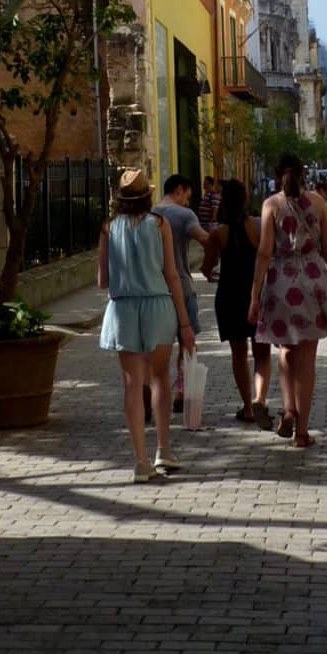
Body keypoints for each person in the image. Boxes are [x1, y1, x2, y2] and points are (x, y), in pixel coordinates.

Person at [98, 166, 196, 482]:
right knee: (160, 379)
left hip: (123, 309)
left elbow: (102, 281)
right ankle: (163, 449)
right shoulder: (160, 224)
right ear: (147, 196)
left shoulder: (108, 228)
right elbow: (171, 274)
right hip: (158, 306)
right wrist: (185, 324)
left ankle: (140, 461)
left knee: (131, 385)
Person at [249, 152, 327, 448]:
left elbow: (264, 252)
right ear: (303, 174)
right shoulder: (317, 202)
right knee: (308, 359)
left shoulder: (270, 205)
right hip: (314, 283)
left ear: (277, 176)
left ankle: (288, 409)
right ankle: (302, 432)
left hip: (280, 283)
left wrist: (254, 295)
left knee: (286, 350)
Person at [203, 177, 271, 424]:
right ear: (245, 200)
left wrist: (212, 272)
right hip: (257, 294)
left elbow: (206, 267)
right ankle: (260, 398)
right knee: (262, 352)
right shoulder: (258, 226)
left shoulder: (217, 233)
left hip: (229, 296)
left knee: (238, 353)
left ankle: (247, 407)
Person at [156, 173, 209, 410]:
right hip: (183, 287)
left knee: (158, 346)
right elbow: (205, 239)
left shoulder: (152, 215)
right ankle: (182, 392)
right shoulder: (184, 215)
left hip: (156, 290)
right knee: (187, 341)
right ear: (179, 190)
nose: (188, 202)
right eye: (187, 196)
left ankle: (154, 394)